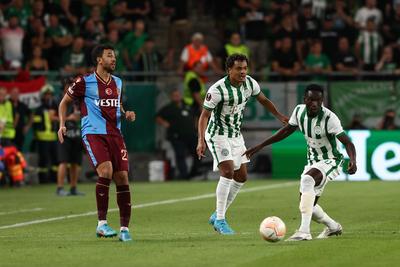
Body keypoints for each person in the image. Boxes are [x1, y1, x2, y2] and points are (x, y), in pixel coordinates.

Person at [244, 84, 357, 241]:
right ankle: (333, 227)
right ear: (305, 99)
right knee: (308, 204)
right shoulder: (298, 111)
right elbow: (286, 131)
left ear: (322, 100)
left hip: (331, 160)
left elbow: (348, 142)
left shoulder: (330, 118)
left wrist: (352, 160)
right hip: (312, 161)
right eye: (311, 100)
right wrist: (261, 145)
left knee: (307, 180)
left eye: (318, 100)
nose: (315, 103)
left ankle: (304, 232)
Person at [196, 54, 288, 235]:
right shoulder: (217, 90)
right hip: (217, 135)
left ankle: (217, 214)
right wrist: (201, 140)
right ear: (229, 70)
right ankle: (221, 220)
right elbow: (204, 116)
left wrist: (279, 116)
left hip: (236, 135)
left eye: (245, 68)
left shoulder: (250, 83)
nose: (243, 72)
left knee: (242, 176)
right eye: (238, 69)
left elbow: (263, 100)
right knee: (228, 171)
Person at [58, 45, 136, 242]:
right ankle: (102, 224)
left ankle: (125, 229)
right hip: (93, 133)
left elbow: (117, 104)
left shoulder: (118, 82)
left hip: (115, 135)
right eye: (110, 55)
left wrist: (125, 113)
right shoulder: (84, 82)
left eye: (114, 56)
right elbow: (63, 102)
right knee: (106, 171)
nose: (114, 59)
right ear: (99, 60)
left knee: (123, 178)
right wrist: (62, 124)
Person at [156, 89, 200, 180]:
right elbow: (158, 117)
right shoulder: (168, 108)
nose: (177, 97)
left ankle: (194, 173)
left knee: (197, 154)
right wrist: (165, 124)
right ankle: (184, 176)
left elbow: (197, 115)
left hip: (191, 135)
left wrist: (196, 126)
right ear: (171, 97)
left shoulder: (187, 106)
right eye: (174, 95)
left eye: (178, 95)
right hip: (177, 136)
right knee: (180, 155)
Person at [56, 78, 84, 196]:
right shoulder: (59, 101)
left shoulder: (77, 101)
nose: (71, 88)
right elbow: (52, 117)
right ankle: (60, 188)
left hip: (77, 135)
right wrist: (70, 118)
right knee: (63, 162)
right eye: (68, 86)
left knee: (75, 163)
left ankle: (73, 187)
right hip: (65, 136)